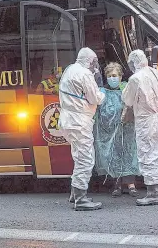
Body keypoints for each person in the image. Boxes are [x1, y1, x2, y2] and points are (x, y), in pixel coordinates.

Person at [58, 47, 106, 211]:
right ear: (90, 61)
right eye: (95, 61)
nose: (96, 65)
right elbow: (95, 98)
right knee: (86, 159)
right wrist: (101, 90)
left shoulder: (70, 69)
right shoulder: (85, 74)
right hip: (79, 121)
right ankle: (81, 199)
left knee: (78, 156)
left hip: (67, 120)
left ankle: (74, 194)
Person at [121, 50, 158, 206]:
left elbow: (127, 99)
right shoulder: (157, 73)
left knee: (148, 155)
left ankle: (152, 194)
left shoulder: (135, 79)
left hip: (147, 121)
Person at [94, 62, 140, 198]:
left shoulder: (126, 89)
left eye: (114, 75)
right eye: (109, 75)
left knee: (129, 153)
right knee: (114, 155)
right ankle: (117, 184)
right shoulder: (102, 92)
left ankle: (131, 184)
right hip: (110, 131)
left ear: (120, 77)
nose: (112, 78)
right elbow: (100, 111)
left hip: (127, 129)